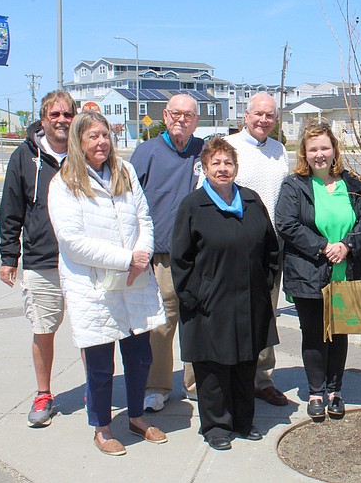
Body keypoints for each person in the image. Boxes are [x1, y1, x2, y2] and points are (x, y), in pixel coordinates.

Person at [48, 112, 167, 456]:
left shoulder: (125, 172)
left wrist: (142, 253)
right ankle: (101, 426)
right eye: (92, 137)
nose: (101, 142)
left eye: (105, 135)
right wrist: (125, 259)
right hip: (94, 286)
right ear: (78, 142)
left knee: (140, 357)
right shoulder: (64, 183)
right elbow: (71, 241)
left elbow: (144, 217)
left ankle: (136, 415)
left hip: (134, 281)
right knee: (100, 365)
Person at [172, 138, 279, 451]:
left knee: (245, 362)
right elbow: (181, 258)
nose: (223, 168)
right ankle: (217, 426)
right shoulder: (193, 206)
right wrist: (196, 295)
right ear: (205, 168)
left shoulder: (250, 200)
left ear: (236, 167)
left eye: (228, 163)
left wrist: (265, 282)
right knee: (214, 367)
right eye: (216, 163)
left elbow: (270, 247)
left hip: (248, 299)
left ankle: (243, 421)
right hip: (209, 303)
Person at [275, 119, 361, 419]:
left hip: (349, 270)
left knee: (340, 333)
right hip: (310, 271)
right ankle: (316, 392)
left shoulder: (353, 183)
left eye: (325, 147)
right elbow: (286, 223)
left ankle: (335, 390)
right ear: (304, 154)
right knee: (315, 335)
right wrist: (323, 246)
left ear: (334, 150)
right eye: (313, 149)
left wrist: (346, 245)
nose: (320, 154)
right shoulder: (294, 185)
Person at [0, 91, 76, 428]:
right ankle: (43, 393)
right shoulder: (24, 156)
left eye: (67, 114)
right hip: (41, 260)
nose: (61, 120)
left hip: (82, 261)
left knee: (91, 331)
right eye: (55, 114)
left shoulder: (85, 153)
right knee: (43, 328)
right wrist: (8, 256)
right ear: (43, 118)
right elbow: (12, 209)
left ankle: (97, 392)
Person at [130, 93, 205, 411]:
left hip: (199, 254)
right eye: (176, 114)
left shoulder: (204, 151)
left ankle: (196, 383)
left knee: (198, 321)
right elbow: (127, 202)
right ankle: (157, 386)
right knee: (161, 324)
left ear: (196, 120)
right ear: (165, 115)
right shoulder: (146, 153)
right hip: (160, 256)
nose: (181, 120)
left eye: (188, 115)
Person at [222, 92, 289, 406]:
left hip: (271, 249)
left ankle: (262, 380)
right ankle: (225, 381)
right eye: (258, 114)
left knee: (266, 316)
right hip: (235, 249)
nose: (264, 120)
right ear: (245, 115)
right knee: (228, 317)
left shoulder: (279, 150)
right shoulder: (228, 148)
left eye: (270, 115)